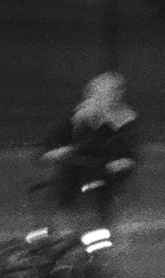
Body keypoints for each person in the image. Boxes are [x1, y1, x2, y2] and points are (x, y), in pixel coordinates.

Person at [35, 71, 141, 236]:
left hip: (103, 174)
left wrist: (124, 162)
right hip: (75, 171)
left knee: (100, 207)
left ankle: (98, 242)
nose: (106, 98)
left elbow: (129, 152)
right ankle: (61, 236)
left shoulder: (125, 119)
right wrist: (55, 152)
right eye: (100, 93)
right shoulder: (81, 116)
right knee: (66, 194)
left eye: (112, 92)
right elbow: (55, 143)